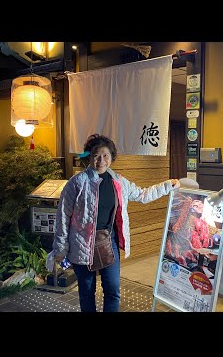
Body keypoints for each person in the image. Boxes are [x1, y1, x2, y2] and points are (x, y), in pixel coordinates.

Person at [52, 133, 180, 312]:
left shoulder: (118, 182)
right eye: (96, 155)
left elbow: (143, 194)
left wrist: (167, 186)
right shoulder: (77, 183)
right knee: (87, 292)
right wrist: (60, 249)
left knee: (112, 290)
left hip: (108, 242)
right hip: (81, 244)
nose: (101, 160)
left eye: (105, 155)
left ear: (112, 157)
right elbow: (63, 217)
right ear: (89, 156)